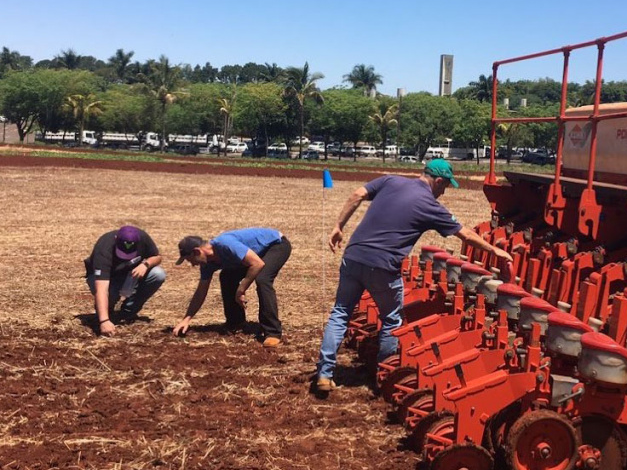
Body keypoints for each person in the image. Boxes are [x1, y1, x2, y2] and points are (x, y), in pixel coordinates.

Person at [314, 158, 513, 392]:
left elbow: (357, 194)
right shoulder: (430, 205)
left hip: (353, 256)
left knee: (340, 312)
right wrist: (495, 250)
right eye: (445, 186)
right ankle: (384, 377)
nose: (444, 191)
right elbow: (466, 235)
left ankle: (324, 375)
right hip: (383, 266)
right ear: (438, 181)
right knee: (391, 319)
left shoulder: (390, 180)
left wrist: (338, 226)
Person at [172, 227, 292, 348]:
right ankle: (236, 323)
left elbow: (257, 264)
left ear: (197, 251)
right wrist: (186, 319)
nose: (193, 264)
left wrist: (241, 289)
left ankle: (273, 333)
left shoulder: (225, 244)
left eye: (190, 260)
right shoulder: (207, 264)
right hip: (254, 256)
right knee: (227, 276)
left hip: (276, 245)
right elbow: (200, 292)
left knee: (263, 279)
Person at [84, 225, 165, 336]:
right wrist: (104, 321)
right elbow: (101, 289)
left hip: (129, 274)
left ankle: (127, 312)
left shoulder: (142, 237)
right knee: (110, 294)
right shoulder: (104, 248)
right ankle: (107, 313)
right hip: (106, 277)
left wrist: (145, 264)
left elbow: (157, 257)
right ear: (116, 239)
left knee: (158, 274)